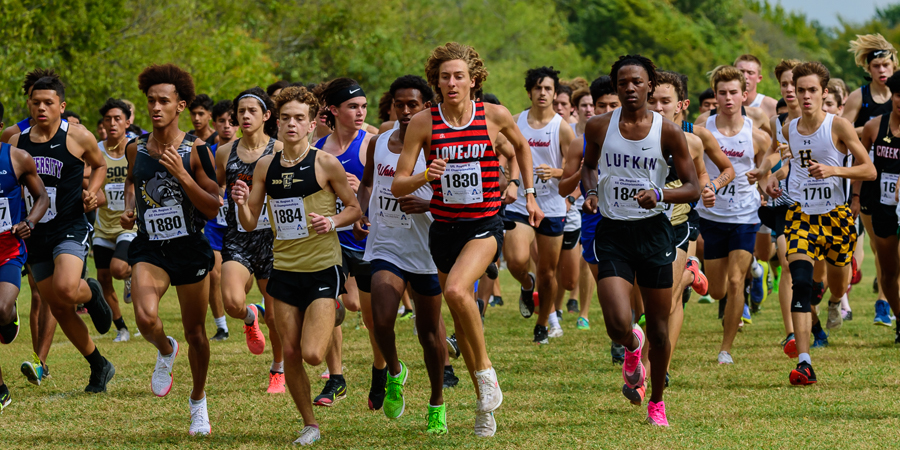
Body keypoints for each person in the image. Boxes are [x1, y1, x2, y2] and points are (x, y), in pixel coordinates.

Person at [393, 42, 543, 437]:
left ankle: (487, 371)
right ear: (436, 83)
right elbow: (397, 184)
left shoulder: (493, 115)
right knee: (461, 312)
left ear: (473, 79)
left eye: (459, 75)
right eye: (445, 77)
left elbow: (523, 149)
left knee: (459, 293)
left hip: (484, 224)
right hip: (444, 229)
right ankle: (484, 407)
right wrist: (426, 176)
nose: (452, 82)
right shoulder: (424, 123)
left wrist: (528, 194)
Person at [230, 85, 359, 446]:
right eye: (285, 117)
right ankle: (310, 424)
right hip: (284, 268)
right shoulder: (265, 166)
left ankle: (332, 309)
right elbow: (252, 218)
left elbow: (354, 208)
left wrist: (332, 222)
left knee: (313, 353)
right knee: (290, 353)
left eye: (299, 118)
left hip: (322, 265)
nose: (291, 124)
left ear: (311, 123)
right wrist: (241, 201)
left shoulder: (324, 163)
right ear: (277, 122)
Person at [581, 54, 700, 426]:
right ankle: (632, 349)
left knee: (660, 329)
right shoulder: (599, 126)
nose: (630, 88)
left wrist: (661, 194)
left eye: (637, 82)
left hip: (654, 232)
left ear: (650, 85)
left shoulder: (668, 131)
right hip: (614, 230)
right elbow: (588, 167)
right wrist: (591, 193)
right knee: (617, 322)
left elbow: (694, 187)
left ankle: (657, 403)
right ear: (615, 87)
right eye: (623, 83)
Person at [121, 63, 220, 434]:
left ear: (181, 106)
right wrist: (131, 210)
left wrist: (182, 174)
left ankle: (198, 401)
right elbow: (134, 182)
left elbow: (213, 206)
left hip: (190, 248)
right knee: (145, 318)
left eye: (164, 101)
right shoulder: (135, 148)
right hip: (150, 247)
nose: (156, 107)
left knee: (196, 332)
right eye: (151, 101)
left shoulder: (196, 150)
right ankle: (165, 349)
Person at [765, 61, 875, 385]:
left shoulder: (838, 126)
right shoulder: (788, 129)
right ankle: (804, 362)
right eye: (800, 90)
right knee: (800, 281)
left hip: (837, 217)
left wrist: (835, 170)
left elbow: (869, 170)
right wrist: (773, 179)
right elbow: (792, 167)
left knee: (838, 284)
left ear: (824, 92)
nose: (806, 96)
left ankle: (837, 300)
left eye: (813, 90)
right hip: (801, 215)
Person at [9, 71, 114, 394]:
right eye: (36, 102)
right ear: (28, 104)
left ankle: (91, 291)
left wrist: (93, 192)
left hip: (69, 225)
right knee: (58, 307)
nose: (41, 108)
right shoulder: (15, 140)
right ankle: (100, 366)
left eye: (49, 103)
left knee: (67, 289)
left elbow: (99, 166)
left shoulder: (77, 136)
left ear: (61, 105)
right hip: (34, 232)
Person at [358, 75, 449, 433]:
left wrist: (426, 203)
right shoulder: (379, 142)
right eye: (400, 104)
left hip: (426, 249)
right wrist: (362, 210)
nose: (407, 111)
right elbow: (369, 183)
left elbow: (454, 199)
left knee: (429, 335)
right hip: (385, 245)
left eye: (414, 104)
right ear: (392, 106)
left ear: (427, 105)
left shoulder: (436, 145)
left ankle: (437, 403)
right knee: (380, 320)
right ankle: (395, 371)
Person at [695, 65, 770, 364]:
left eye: (734, 93)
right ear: (715, 95)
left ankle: (725, 349)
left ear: (745, 94)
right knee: (717, 290)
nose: (728, 98)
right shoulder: (703, 126)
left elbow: (768, 167)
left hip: (745, 214)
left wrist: (765, 181)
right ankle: (739, 282)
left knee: (737, 282)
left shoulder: (757, 132)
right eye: (722, 93)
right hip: (711, 215)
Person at [312, 78, 379, 409]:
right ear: (334, 111)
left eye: (364, 106)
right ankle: (335, 378)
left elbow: (390, 190)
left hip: (364, 240)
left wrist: (360, 188)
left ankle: (381, 368)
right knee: (329, 307)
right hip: (329, 240)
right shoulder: (319, 148)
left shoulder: (372, 142)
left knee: (367, 314)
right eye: (353, 106)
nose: (360, 113)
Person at [215, 87, 285, 393]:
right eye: (240, 111)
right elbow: (217, 186)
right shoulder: (224, 152)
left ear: (266, 115)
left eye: (251, 111)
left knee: (277, 316)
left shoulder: (281, 150)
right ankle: (248, 316)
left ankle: (278, 370)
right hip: (237, 237)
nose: (244, 116)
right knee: (231, 302)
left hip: (274, 239)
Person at [505, 66, 575, 344]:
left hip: (552, 205)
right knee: (516, 259)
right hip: (520, 201)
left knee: (548, 271)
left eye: (547, 88)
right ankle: (525, 283)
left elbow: (574, 169)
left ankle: (543, 324)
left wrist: (556, 172)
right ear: (529, 92)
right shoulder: (515, 121)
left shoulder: (562, 128)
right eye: (537, 88)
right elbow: (504, 153)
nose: (542, 93)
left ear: (555, 92)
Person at [751, 59, 802, 357]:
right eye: (784, 84)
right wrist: (764, 174)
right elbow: (772, 153)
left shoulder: (826, 122)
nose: (789, 89)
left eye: (793, 83)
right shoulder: (776, 123)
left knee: (816, 275)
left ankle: (817, 312)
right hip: (786, 203)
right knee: (787, 264)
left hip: (821, 205)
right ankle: (791, 333)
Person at [846, 34, 897, 325]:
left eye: (886, 64)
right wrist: (867, 130)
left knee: (892, 250)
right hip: (869, 180)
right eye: (876, 65)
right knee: (879, 246)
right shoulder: (859, 97)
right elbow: (840, 130)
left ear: (894, 66)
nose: (882, 70)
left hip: (896, 178)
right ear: (869, 69)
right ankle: (886, 291)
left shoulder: (899, 96)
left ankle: (882, 304)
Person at [0, 129, 51, 411]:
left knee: (1, 310)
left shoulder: (17, 158)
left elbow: (42, 196)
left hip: (8, 251)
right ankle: (1, 392)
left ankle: (8, 319)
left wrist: (29, 222)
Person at [859, 70, 900, 343]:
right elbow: (859, 165)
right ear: (892, 97)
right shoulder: (874, 127)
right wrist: (854, 199)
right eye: (899, 95)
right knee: (888, 271)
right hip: (882, 207)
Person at [94, 98, 136, 343]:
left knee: (118, 269)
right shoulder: (96, 149)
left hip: (128, 223)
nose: (112, 123)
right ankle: (121, 327)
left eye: (117, 118)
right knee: (103, 279)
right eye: (108, 119)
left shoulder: (135, 148)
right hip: (103, 226)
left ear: (128, 121)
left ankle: (131, 275)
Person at [207, 99, 236, 341]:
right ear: (214, 123)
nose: (227, 126)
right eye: (222, 121)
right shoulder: (207, 152)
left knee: (238, 284)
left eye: (231, 121)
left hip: (240, 224)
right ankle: (221, 326)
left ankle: (242, 309)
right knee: (213, 274)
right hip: (213, 224)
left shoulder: (248, 152)